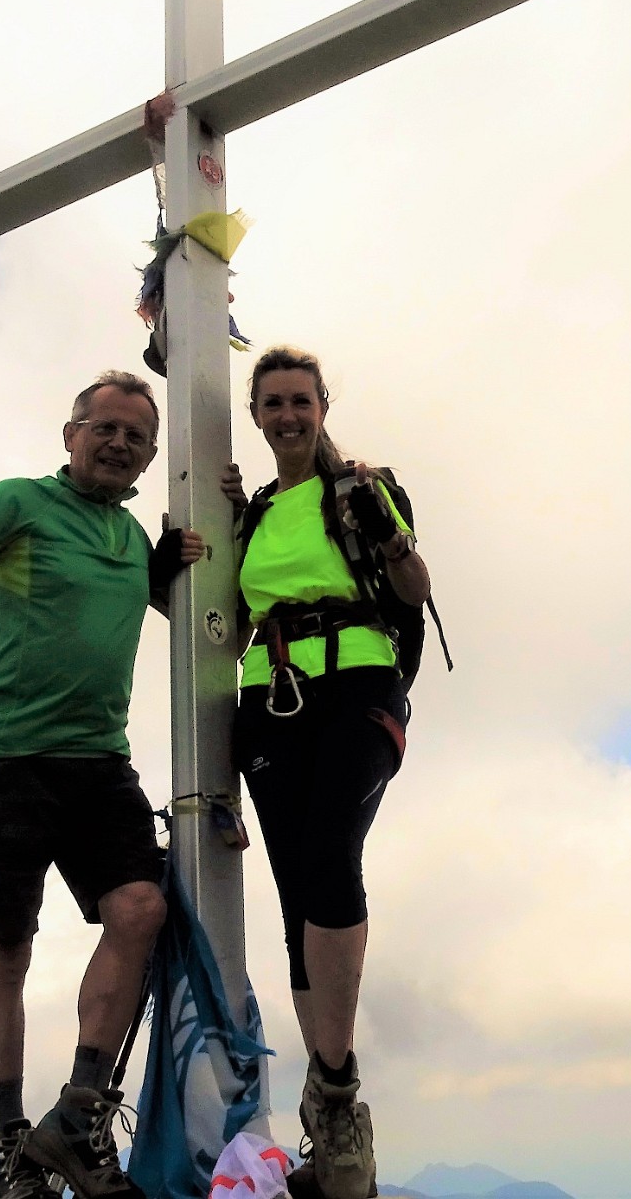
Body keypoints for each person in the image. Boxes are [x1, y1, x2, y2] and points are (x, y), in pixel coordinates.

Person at [0, 371, 205, 1199]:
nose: (121, 443)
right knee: (6, 948)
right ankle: (9, 1146)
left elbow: (208, 617)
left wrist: (199, 545)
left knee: (141, 909)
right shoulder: (19, 502)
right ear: (71, 434)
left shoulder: (134, 542)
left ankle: (79, 1118)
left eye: (138, 435)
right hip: (3, 756)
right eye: (106, 427)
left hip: (100, 762)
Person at [220, 346, 431, 1199]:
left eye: (300, 401)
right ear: (258, 415)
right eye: (271, 404)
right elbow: (225, 620)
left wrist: (390, 526)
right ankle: (329, 1111)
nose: (287, 416)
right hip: (273, 698)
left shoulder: (365, 489)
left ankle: (336, 1093)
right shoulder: (255, 512)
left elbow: (414, 587)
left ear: (321, 406)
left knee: (329, 859)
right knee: (298, 893)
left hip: (361, 685)